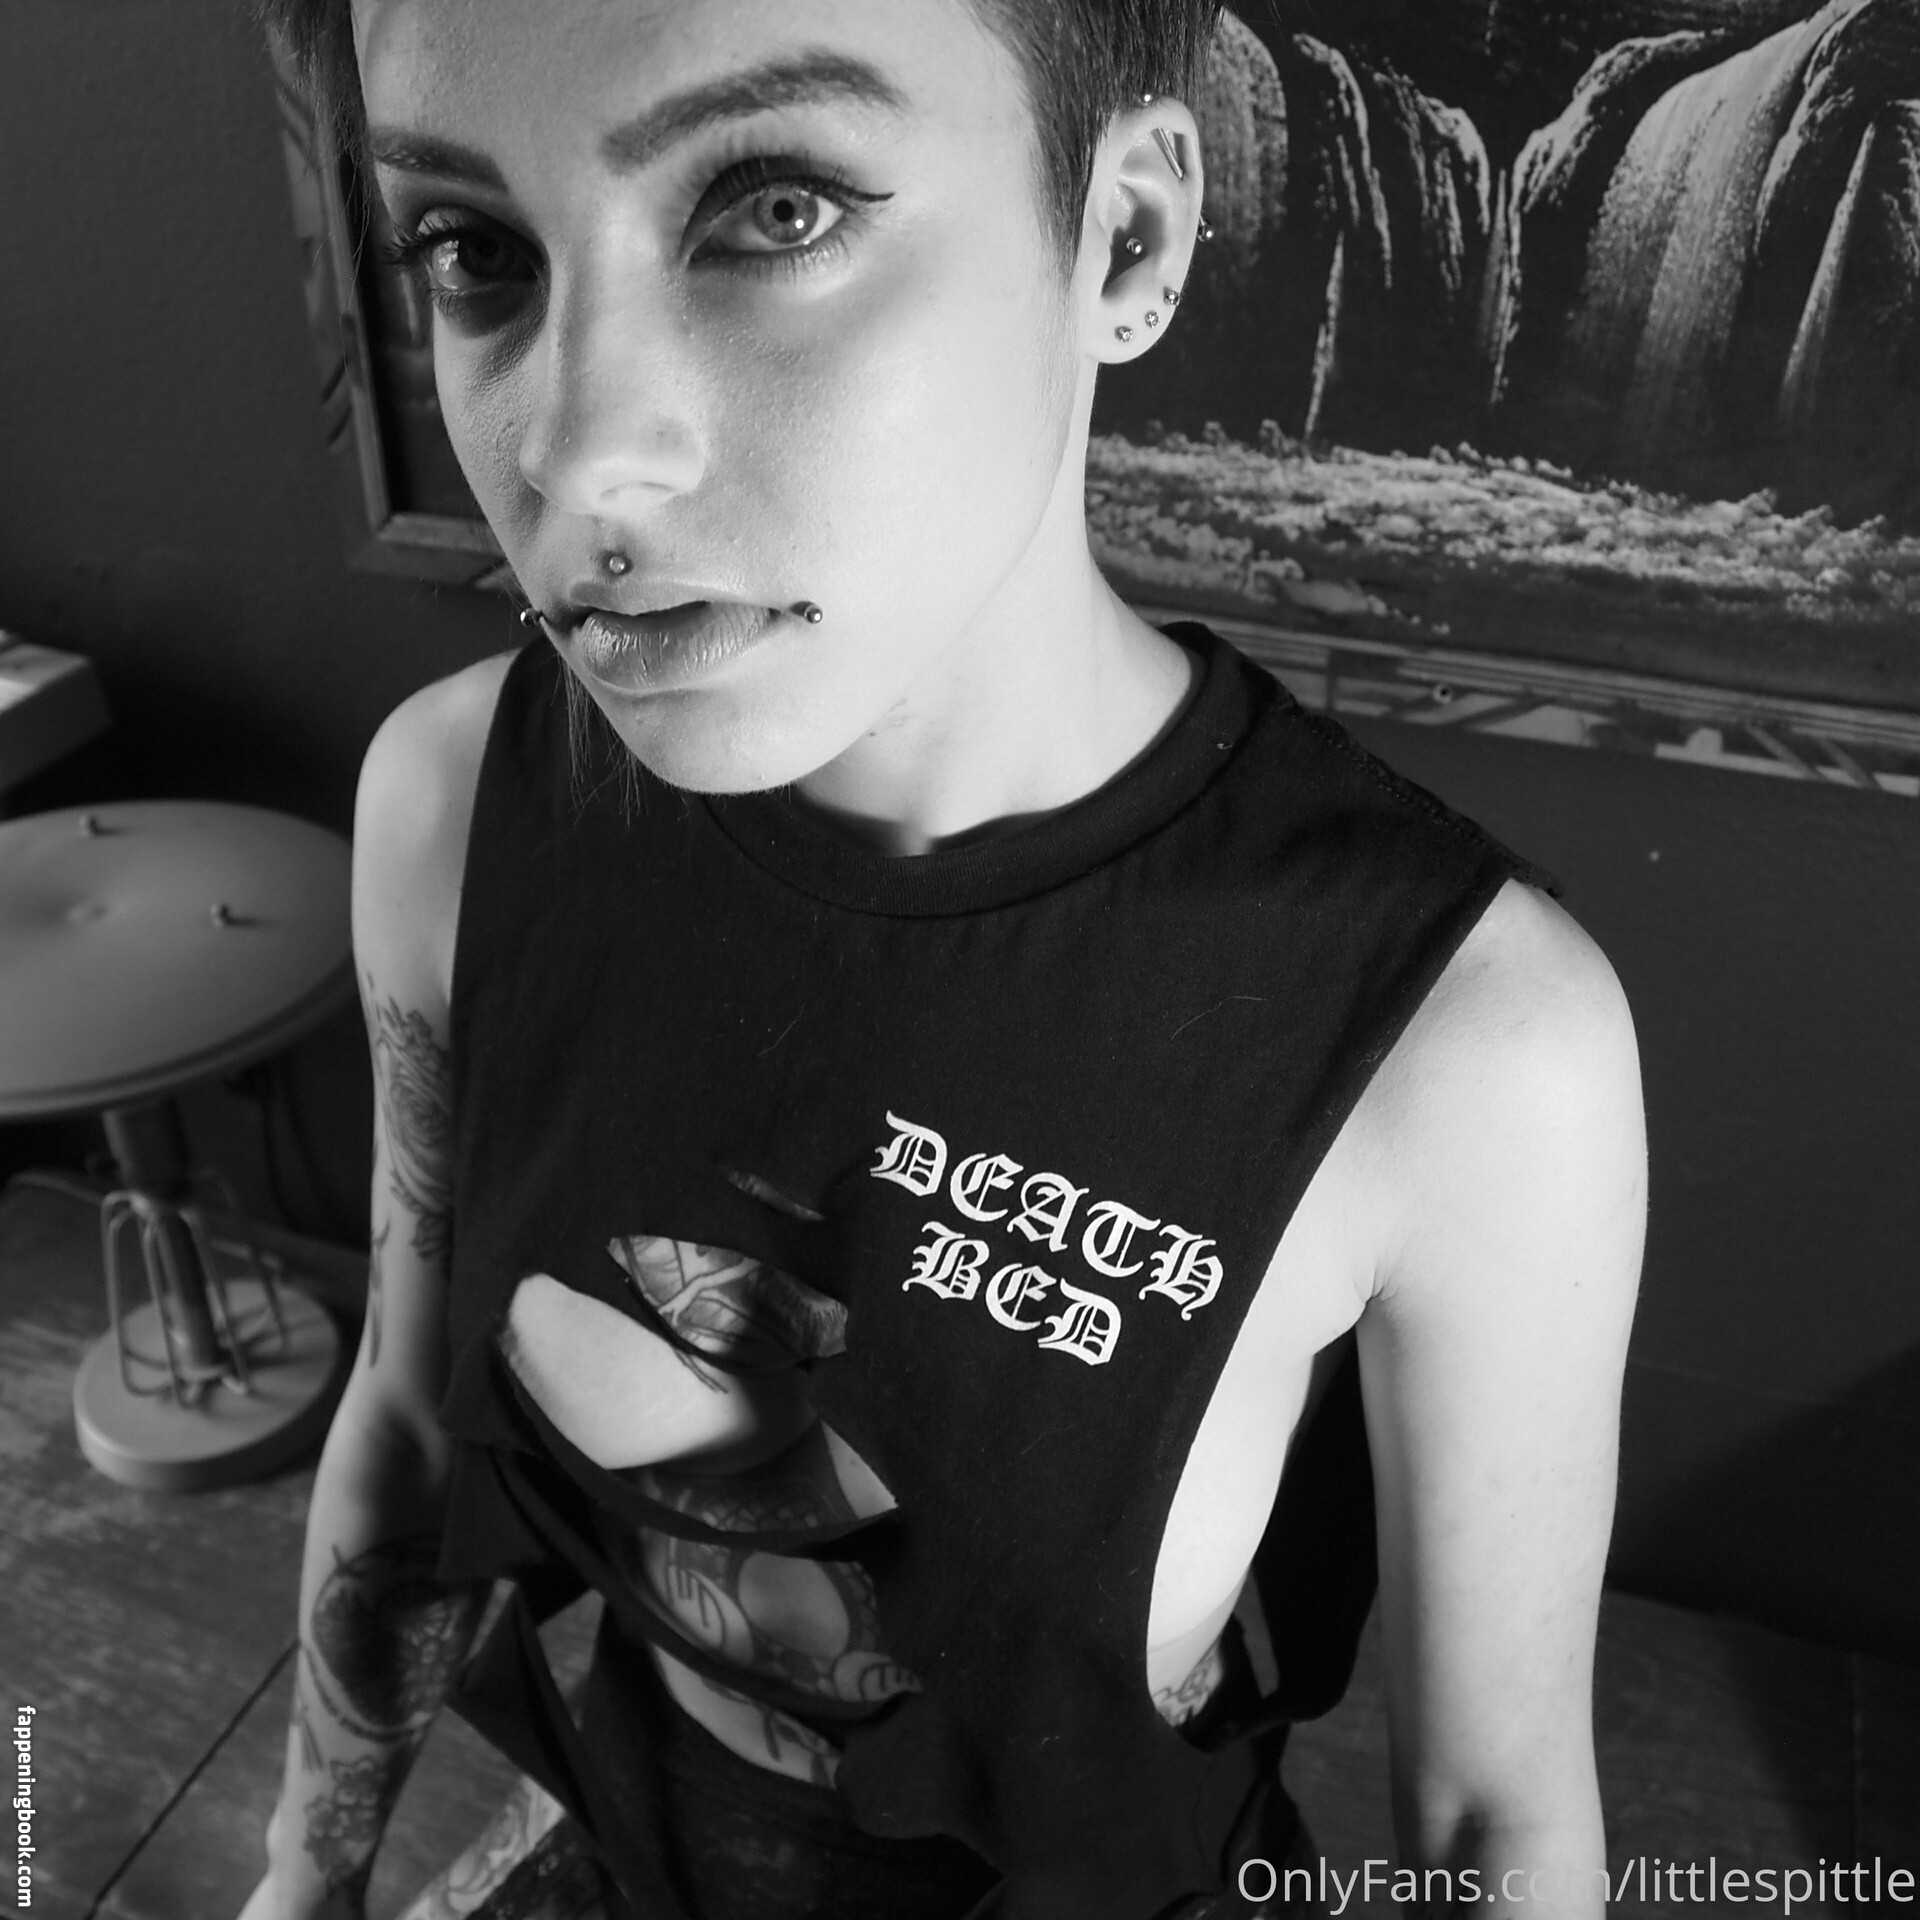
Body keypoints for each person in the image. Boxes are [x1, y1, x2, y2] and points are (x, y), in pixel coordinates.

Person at [239, 1, 1647, 1916]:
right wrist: (302, 1879)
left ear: (1124, 238)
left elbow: (1494, 1825)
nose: (578, 459)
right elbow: (414, 1426)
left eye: (778, 208)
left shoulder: (1466, 1051)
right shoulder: (457, 805)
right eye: (476, 251)